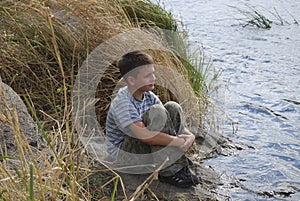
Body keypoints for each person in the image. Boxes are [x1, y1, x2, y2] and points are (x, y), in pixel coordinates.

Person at [105, 50, 200, 188]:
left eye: (153, 73)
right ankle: (169, 172)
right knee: (157, 112)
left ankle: (175, 162)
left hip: (144, 149)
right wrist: (178, 142)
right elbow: (145, 137)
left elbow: (166, 120)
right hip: (124, 157)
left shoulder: (149, 96)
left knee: (172, 107)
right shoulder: (123, 102)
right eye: (148, 76)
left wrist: (189, 136)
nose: (154, 78)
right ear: (131, 80)